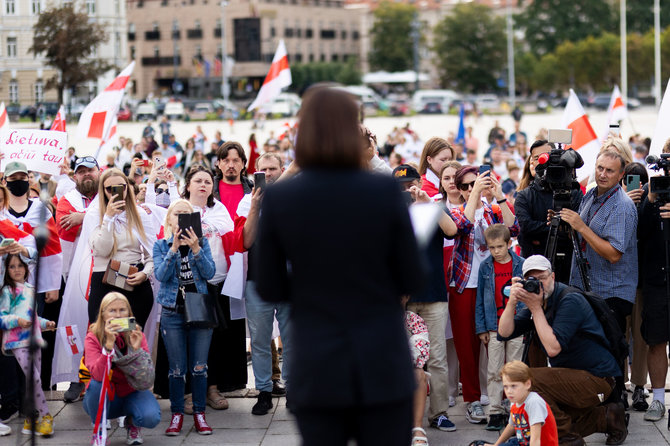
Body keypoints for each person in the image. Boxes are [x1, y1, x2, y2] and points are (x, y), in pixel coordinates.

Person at [255, 85, 424, 446]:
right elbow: (412, 273)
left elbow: (268, 285)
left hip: (317, 361)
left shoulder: (282, 197)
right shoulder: (382, 192)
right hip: (381, 359)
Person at [498, 255, 627, 446]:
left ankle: (567, 438)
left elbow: (552, 349)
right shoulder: (541, 301)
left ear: (552, 276)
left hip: (598, 379)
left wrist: (535, 308)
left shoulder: (570, 300)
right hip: (573, 377)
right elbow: (504, 332)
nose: (538, 284)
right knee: (539, 426)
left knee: (528, 381)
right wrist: (512, 302)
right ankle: (608, 417)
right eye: (532, 280)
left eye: (541, 277)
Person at [561, 149, 638, 399]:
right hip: (586, 287)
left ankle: (615, 409)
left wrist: (581, 227)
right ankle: (592, 403)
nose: (602, 174)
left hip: (611, 292)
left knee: (609, 353)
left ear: (621, 175)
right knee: (587, 349)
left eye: (609, 171)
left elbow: (614, 253)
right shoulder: (591, 194)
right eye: (600, 168)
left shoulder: (623, 206)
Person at [450, 165, 519, 423]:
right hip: (464, 285)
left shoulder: (493, 210)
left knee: (497, 342)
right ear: (459, 189)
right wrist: (475, 195)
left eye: (475, 183)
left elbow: (514, 229)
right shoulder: (454, 210)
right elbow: (462, 227)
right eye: (466, 186)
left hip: (493, 284)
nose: (472, 189)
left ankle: (501, 397)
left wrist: (499, 195)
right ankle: (472, 399)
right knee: (467, 346)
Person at [393, 163, 459, 432]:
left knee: (437, 357)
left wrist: (427, 203)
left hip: (432, 292)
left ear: (419, 183)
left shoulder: (432, 205)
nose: (407, 191)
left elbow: (452, 230)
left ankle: (439, 412)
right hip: (400, 297)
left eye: (410, 185)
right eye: (401, 187)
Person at [228, 153, 292, 416]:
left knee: (292, 339)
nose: (269, 173)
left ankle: (293, 389)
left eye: (273, 168)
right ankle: (264, 390)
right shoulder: (246, 202)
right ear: (256, 174)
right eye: (263, 169)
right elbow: (247, 240)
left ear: (282, 170)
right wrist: (256, 206)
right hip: (258, 279)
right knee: (260, 340)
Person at [154, 199, 217, 435]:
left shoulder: (203, 244)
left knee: (200, 368)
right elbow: (161, 275)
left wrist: (196, 249)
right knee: (176, 369)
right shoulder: (161, 245)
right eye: (177, 214)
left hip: (199, 311)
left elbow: (210, 272)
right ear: (169, 219)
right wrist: (173, 250)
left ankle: (200, 413)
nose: (180, 218)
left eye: (186, 214)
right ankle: (177, 414)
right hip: (172, 312)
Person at [182, 165, 236, 408]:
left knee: (215, 338)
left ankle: (212, 388)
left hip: (216, 280)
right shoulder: (180, 206)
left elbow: (229, 229)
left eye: (207, 181)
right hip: (189, 282)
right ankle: (191, 391)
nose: (203, 184)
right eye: (198, 181)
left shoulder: (219, 208)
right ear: (188, 185)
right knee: (190, 337)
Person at [83, 292, 161, 445]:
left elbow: (146, 380)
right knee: (95, 385)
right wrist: (108, 347)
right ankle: (99, 429)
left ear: (129, 313)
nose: (118, 315)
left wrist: (137, 350)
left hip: (131, 391)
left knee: (151, 417)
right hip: (107, 395)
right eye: (112, 311)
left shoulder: (136, 333)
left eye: (122, 310)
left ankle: (133, 423)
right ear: (103, 314)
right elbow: (98, 375)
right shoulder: (93, 337)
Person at [55, 155, 100, 402]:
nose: (86, 175)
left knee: (101, 327)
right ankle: (77, 377)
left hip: (103, 272)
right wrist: (95, 219)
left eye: (90, 171)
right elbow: (64, 226)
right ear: (75, 177)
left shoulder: (109, 194)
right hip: (75, 275)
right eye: (81, 172)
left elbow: (114, 220)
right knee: (76, 326)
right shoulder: (67, 200)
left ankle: (101, 377)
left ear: (99, 172)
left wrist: (83, 218)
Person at [88, 168, 155, 327]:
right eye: (109, 189)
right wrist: (108, 218)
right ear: (103, 191)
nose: (116, 192)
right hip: (104, 283)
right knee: (106, 337)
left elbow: (153, 253)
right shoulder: (94, 214)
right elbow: (103, 249)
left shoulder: (139, 214)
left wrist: (144, 274)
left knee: (131, 337)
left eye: (121, 187)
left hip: (133, 283)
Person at [475, 224, 525, 431]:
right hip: (493, 326)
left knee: (515, 369)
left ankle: (516, 409)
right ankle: (495, 411)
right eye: (491, 247)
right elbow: (479, 299)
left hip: (516, 324)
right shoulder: (486, 267)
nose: (495, 251)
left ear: (509, 244)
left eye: (499, 247)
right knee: (494, 370)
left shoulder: (520, 265)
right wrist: (481, 328)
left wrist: (526, 325)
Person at [0, 254, 56, 437]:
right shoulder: (7, 292)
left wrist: (45, 323)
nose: (16, 269)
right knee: (35, 378)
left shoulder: (31, 289)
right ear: (6, 271)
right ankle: (46, 416)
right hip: (17, 341)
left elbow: (32, 317)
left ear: (26, 268)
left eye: (20, 265)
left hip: (35, 340)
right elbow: (2, 318)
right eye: (12, 267)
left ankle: (31, 419)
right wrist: (17, 320)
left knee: (34, 380)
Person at [514, 140, 582, 282]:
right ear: (531, 162)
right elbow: (526, 228)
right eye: (537, 158)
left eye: (545, 156)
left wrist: (542, 231)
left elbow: (579, 227)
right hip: (536, 268)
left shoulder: (574, 193)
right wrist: (555, 226)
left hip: (569, 268)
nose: (542, 162)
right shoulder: (524, 196)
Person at [482, 361, 558, 446]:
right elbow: (511, 426)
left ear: (527, 384)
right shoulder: (515, 400)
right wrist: (496, 445)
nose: (509, 391)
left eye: (513, 386)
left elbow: (536, 440)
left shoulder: (534, 402)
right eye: (506, 386)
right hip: (522, 442)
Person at [403, 295, 430, 446]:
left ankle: (417, 427)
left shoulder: (413, 320)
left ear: (406, 298)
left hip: (403, 369)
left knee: (419, 374)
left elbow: (420, 351)